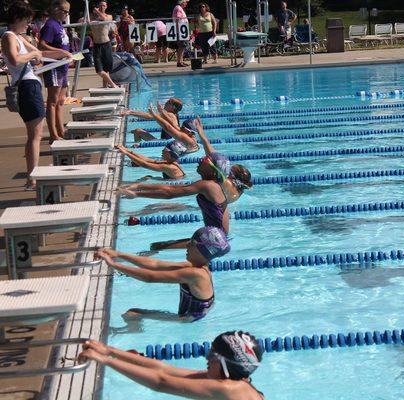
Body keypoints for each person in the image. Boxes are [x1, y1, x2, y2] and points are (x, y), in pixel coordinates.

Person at [120, 117, 253, 251]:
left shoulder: (208, 185)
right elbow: (171, 189)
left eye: (206, 160)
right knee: (158, 246)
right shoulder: (214, 182)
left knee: (157, 247)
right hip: (215, 237)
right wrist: (138, 188)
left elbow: (169, 193)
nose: (201, 159)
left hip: (214, 240)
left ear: (213, 170)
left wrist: (136, 194)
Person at [95, 226, 229, 321]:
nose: (187, 245)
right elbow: (155, 265)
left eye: (192, 243)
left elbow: (150, 277)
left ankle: (133, 337)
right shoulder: (197, 267)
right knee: (134, 313)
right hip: (194, 316)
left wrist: (113, 265)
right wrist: (119, 254)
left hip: (186, 321)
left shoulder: (196, 274)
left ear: (203, 251)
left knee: (132, 313)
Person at [77, 331, 264, 399]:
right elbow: (164, 370)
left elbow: (161, 382)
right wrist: (109, 351)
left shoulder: (232, 390)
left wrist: (105, 361)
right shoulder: (235, 382)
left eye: (212, 355)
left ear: (227, 363)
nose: (206, 359)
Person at [1, 1, 69, 190]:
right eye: (27, 21)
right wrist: (32, 56)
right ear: (18, 19)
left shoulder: (18, 36)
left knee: (35, 135)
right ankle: (32, 177)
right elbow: (14, 60)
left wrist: (61, 53)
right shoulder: (8, 37)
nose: (29, 25)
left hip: (31, 85)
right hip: (26, 87)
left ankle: (33, 174)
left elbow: (39, 52)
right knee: (35, 135)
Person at [38, 0, 73, 144]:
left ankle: (61, 130)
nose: (67, 14)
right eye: (65, 11)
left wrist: (69, 54)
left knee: (60, 102)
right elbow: (41, 45)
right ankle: (53, 134)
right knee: (52, 102)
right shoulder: (50, 25)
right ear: (56, 9)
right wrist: (61, 51)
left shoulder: (59, 25)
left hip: (62, 67)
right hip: (53, 67)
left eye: (68, 12)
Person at [117, 142, 186, 180]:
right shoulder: (171, 162)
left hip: (174, 188)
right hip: (170, 183)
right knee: (148, 178)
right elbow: (147, 160)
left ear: (171, 154)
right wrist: (126, 150)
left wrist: (126, 153)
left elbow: (145, 165)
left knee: (147, 179)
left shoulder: (170, 167)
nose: (162, 151)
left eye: (165, 150)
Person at [90, 0, 118, 88]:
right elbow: (82, 20)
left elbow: (104, 19)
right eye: (100, 6)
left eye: (104, 6)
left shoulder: (109, 16)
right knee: (99, 70)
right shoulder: (92, 17)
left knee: (106, 68)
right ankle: (113, 84)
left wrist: (97, 11)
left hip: (106, 44)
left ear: (106, 7)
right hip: (97, 45)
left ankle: (105, 87)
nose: (102, 7)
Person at [172, 0, 189, 67]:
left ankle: (181, 61)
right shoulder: (178, 8)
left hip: (181, 30)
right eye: (186, 2)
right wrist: (178, 29)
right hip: (180, 31)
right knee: (181, 46)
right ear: (182, 2)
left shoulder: (179, 8)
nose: (186, 4)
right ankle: (179, 62)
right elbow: (177, 19)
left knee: (182, 46)